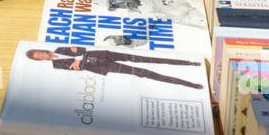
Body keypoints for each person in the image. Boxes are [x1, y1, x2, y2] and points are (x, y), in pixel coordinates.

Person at [25, 46, 206, 86]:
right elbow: (77, 67)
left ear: (41, 50)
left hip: (104, 55)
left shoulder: (59, 48)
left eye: (39, 53)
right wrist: (79, 59)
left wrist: (78, 57)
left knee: (147, 59)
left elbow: (81, 49)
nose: (41, 56)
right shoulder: (56, 65)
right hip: (102, 67)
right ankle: (191, 84)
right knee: (143, 73)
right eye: (38, 57)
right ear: (39, 60)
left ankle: (190, 62)